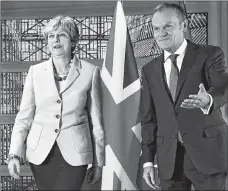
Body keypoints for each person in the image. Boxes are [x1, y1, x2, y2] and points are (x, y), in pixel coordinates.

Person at [6, 15, 105, 190]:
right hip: (41, 154)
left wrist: (98, 162)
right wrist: (14, 154)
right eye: (51, 36)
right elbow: (24, 117)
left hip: (76, 155)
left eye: (62, 35)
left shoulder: (91, 72)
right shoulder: (35, 72)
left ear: (73, 41)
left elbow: (96, 123)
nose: (56, 40)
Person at [140, 3, 228, 190]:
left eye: (168, 26)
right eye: (156, 28)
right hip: (169, 160)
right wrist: (148, 160)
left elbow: (222, 87)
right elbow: (149, 119)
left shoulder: (209, 54)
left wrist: (209, 100)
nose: (161, 33)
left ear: (184, 25)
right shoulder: (149, 70)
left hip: (208, 154)